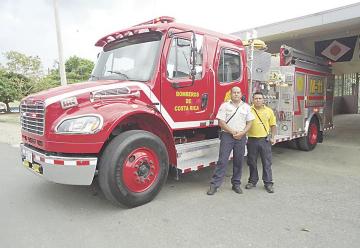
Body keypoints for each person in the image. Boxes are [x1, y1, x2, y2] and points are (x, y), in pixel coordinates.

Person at [207, 87, 254, 195]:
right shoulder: (225, 105)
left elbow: (250, 123)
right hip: (227, 136)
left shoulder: (246, 107)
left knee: (238, 161)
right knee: (222, 161)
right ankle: (214, 185)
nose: (236, 94)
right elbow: (221, 122)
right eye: (234, 92)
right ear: (231, 94)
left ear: (241, 94)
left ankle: (236, 184)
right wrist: (233, 132)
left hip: (241, 137)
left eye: (238, 92)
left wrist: (242, 133)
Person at [245, 91, 277, 193]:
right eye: (256, 98)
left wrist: (273, 137)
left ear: (263, 100)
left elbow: (273, 125)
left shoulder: (269, 111)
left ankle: (268, 183)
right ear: (252, 100)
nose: (258, 100)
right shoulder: (248, 110)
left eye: (260, 98)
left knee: (266, 162)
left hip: (264, 140)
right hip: (251, 140)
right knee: (252, 162)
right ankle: (252, 181)